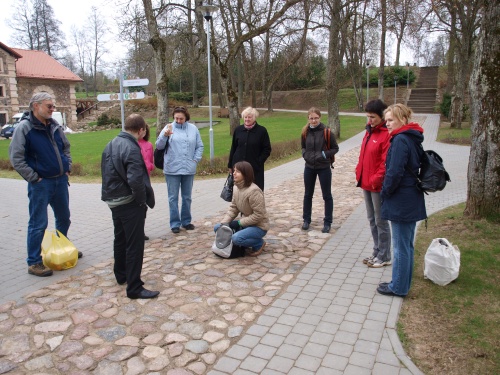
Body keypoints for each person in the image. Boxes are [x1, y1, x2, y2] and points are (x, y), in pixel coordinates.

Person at [9, 92, 81, 277]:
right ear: (36, 106)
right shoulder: (24, 128)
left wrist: (67, 167)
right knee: (38, 223)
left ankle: (62, 249)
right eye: (49, 105)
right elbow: (16, 158)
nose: (52, 109)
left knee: (64, 218)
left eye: (53, 105)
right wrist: (33, 177)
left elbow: (66, 147)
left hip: (60, 180)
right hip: (41, 184)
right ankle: (34, 262)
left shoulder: (54, 126)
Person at [101, 114, 158, 299]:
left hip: (114, 201)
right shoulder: (132, 147)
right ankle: (134, 287)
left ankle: (121, 274)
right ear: (141, 130)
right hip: (128, 202)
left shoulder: (111, 143)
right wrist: (141, 202)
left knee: (120, 239)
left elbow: (106, 172)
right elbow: (136, 180)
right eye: (144, 131)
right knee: (134, 244)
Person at [377, 104, 427, 297]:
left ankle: (398, 287)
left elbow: (395, 172)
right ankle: (401, 283)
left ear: (403, 120)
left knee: (400, 247)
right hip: (410, 196)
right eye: (386, 120)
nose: (387, 124)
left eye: (390, 120)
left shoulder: (400, 140)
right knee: (406, 245)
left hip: (402, 198)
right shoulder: (412, 137)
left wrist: (385, 192)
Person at [355, 99, 392, 268]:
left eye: (373, 117)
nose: (369, 120)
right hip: (366, 183)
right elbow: (364, 155)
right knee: (371, 219)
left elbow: (385, 163)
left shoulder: (386, 135)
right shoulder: (369, 132)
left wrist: (375, 179)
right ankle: (377, 250)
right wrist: (359, 171)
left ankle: (385, 255)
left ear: (382, 116)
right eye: (368, 117)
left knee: (381, 220)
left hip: (376, 185)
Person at [156, 106, 204, 234]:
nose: (178, 120)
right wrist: (165, 136)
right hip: (172, 168)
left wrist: (195, 159)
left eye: (181, 118)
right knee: (173, 198)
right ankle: (175, 223)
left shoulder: (193, 129)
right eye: (176, 118)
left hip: (189, 168)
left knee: (187, 197)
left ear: (186, 118)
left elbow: (200, 146)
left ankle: (186, 221)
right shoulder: (168, 128)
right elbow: (159, 146)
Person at [215, 161, 269, 256]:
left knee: (236, 238)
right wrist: (225, 223)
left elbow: (259, 215)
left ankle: (259, 243)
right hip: (245, 224)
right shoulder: (236, 188)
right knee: (218, 228)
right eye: (234, 170)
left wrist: (239, 223)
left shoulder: (254, 191)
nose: (234, 173)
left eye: (238, 171)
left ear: (246, 174)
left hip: (259, 227)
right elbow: (233, 208)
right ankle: (244, 240)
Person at [301, 107, 339, 233]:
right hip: (309, 167)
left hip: (323, 167)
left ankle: (327, 222)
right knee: (307, 194)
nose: (314, 121)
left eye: (316, 118)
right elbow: (302, 147)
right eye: (311, 118)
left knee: (327, 195)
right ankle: (306, 220)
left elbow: (335, 148)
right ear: (308, 119)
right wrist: (305, 155)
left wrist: (324, 155)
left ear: (320, 117)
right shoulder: (305, 132)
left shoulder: (327, 132)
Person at [228, 107, 272, 191]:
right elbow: (233, 147)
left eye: (249, 117)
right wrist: (230, 165)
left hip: (254, 168)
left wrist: (258, 161)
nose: (247, 119)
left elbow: (267, 149)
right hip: (238, 167)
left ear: (254, 118)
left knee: (254, 192)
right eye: (245, 117)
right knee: (238, 192)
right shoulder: (238, 130)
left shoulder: (261, 131)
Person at [139, 124, 154, 241]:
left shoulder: (148, 145)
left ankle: (141, 230)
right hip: (136, 177)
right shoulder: (132, 144)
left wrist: (149, 166)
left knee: (143, 206)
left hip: (146, 177)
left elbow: (150, 160)